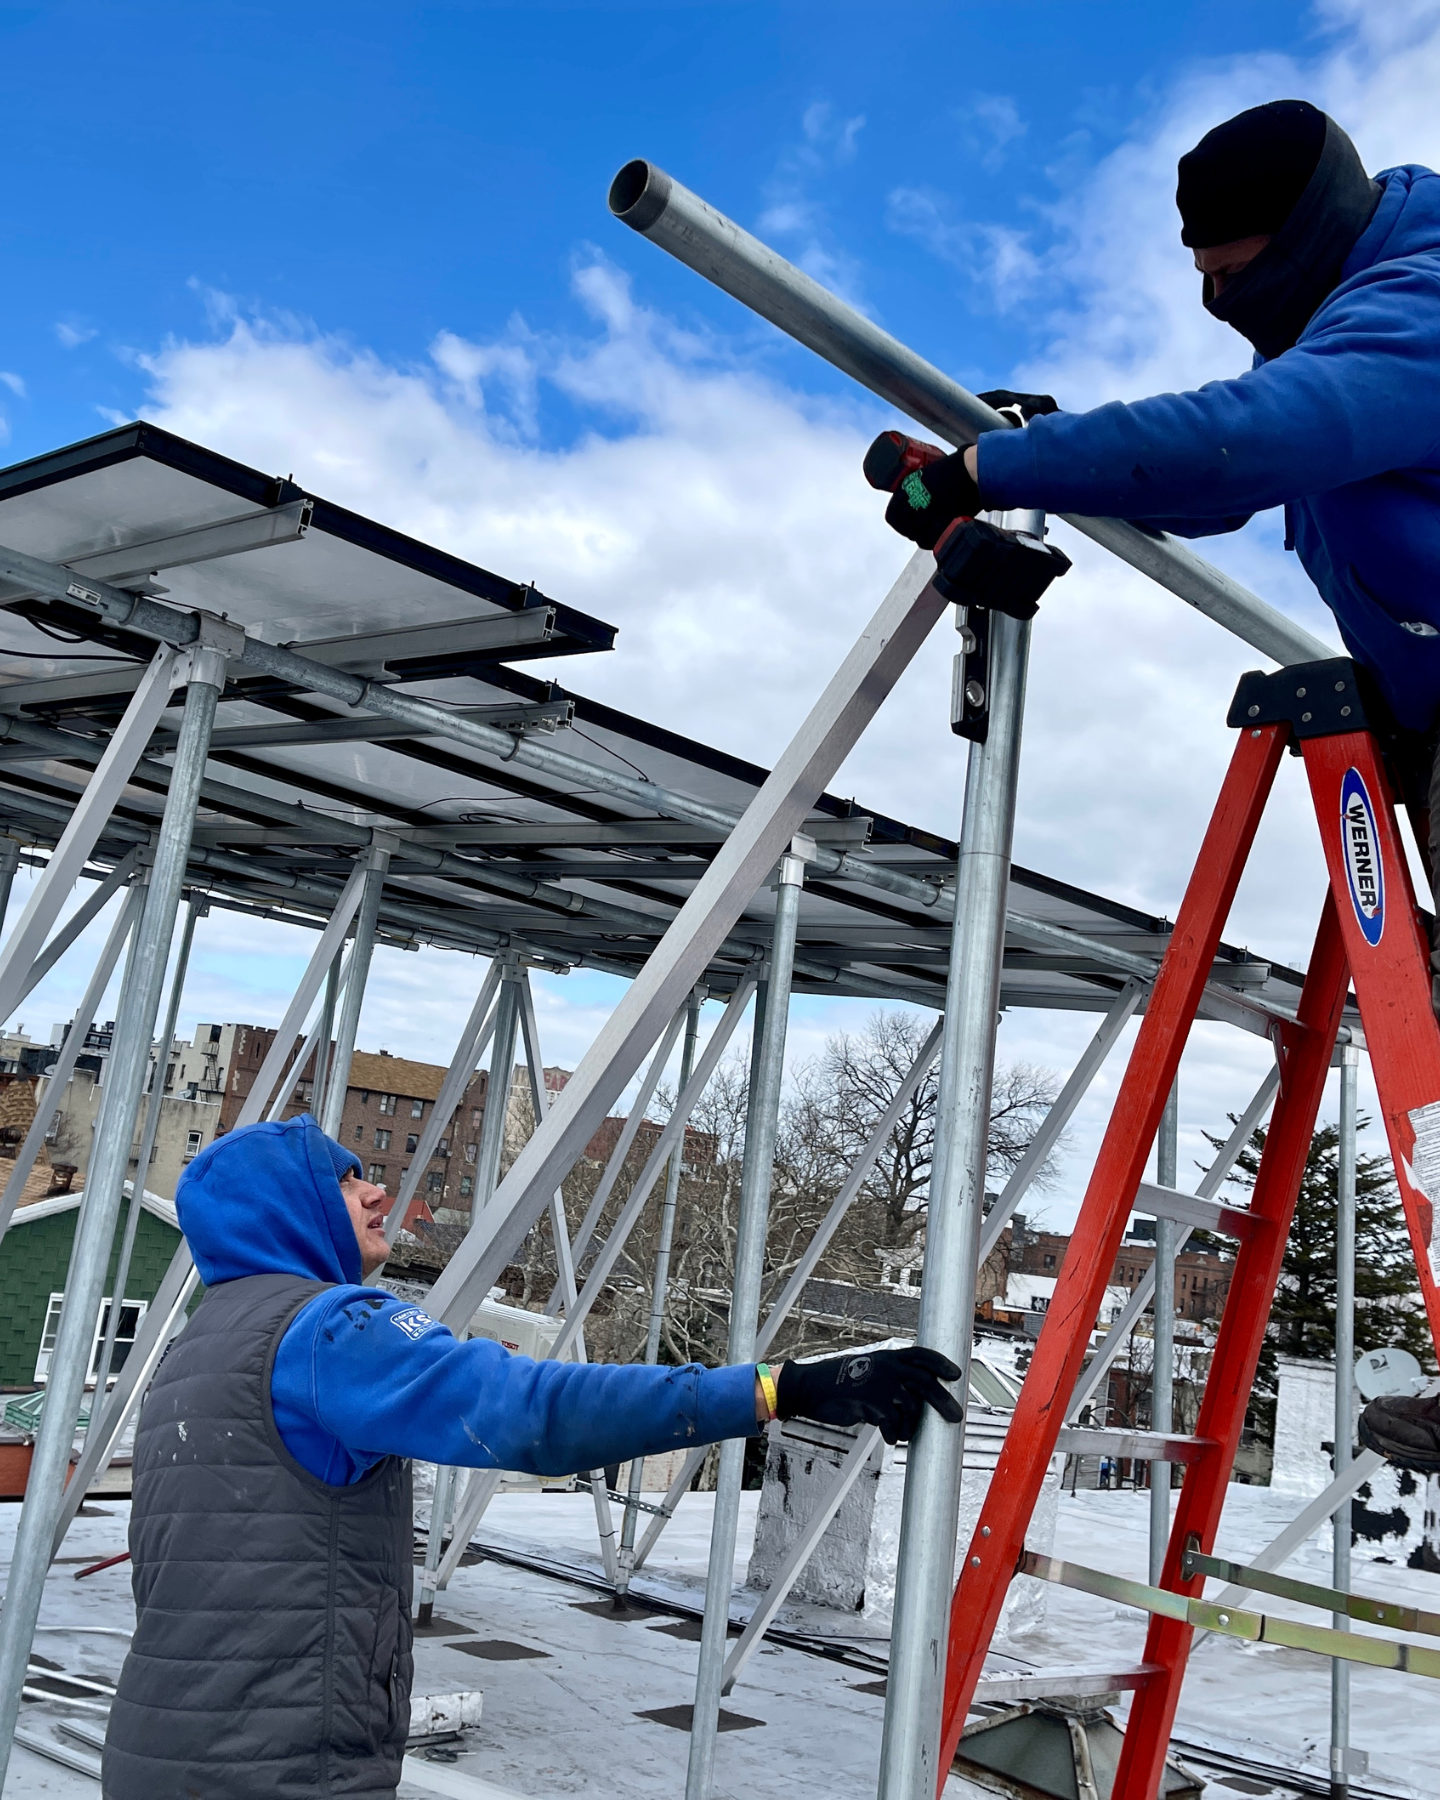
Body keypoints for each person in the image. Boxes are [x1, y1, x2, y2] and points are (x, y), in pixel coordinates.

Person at [876, 97, 1440, 1476]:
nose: (1210, 295)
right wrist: (1057, 461)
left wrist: (987, 466)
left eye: (1230, 266)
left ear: (1303, 233)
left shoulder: (1417, 303)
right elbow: (1212, 488)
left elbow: (1244, 443)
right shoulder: (1354, 322)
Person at [102, 1113, 961, 1798]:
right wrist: (777, 1390)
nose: (375, 1190)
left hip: (167, 1747)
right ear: (283, 1206)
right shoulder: (329, 1328)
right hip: (276, 1766)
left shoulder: (200, 1345)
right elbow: (528, 1410)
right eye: (346, 1176)